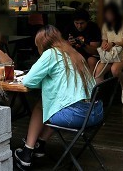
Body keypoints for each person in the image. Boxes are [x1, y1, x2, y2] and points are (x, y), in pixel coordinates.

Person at [14, 26, 101, 168]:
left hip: (76, 115)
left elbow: (28, 81)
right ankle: (40, 144)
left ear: (42, 44)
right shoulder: (74, 53)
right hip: (94, 112)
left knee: (43, 105)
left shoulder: (51, 54)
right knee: (53, 102)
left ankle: (27, 152)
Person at [98, 2, 123, 104]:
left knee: (115, 69)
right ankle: (101, 96)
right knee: (98, 72)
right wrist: (104, 45)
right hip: (109, 55)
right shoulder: (105, 25)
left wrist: (113, 43)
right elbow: (104, 40)